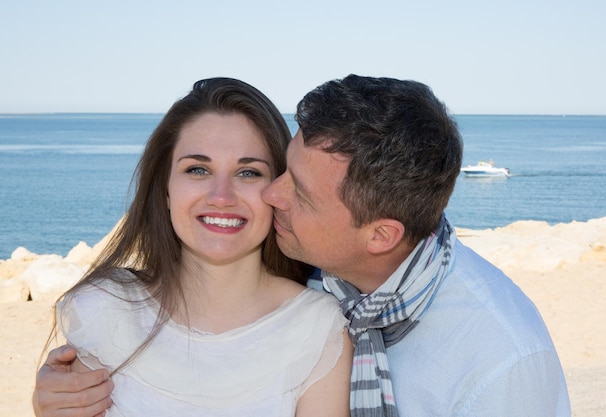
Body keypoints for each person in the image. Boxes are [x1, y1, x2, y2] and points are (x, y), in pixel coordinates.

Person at [34, 74, 571, 416]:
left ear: (380, 235)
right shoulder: (330, 275)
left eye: (257, 173)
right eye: (197, 168)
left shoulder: (502, 362)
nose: (269, 194)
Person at [34, 77, 352, 417]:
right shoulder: (105, 309)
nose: (221, 197)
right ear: (166, 189)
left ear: (278, 189)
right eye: (198, 169)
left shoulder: (318, 330)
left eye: (248, 173)